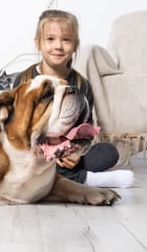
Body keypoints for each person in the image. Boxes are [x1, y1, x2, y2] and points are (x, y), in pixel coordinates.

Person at [13, 9, 134, 188]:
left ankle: (65, 175)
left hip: (69, 152)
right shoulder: (24, 80)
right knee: (17, 159)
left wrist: (74, 153)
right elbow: (18, 127)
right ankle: (86, 180)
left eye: (66, 39)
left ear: (76, 44)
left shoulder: (81, 84)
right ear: (38, 43)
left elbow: (85, 129)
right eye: (50, 39)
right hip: (35, 151)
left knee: (109, 152)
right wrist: (46, 149)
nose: (58, 46)